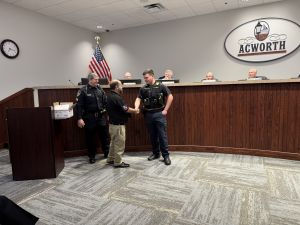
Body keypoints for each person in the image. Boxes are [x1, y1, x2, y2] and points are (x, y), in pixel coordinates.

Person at [135, 69, 173, 165]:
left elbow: (170, 96)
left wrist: (166, 110)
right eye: (144, 78)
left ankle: (166, 156)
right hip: (148, 114)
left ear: (152, 76)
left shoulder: (161, 86)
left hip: (159, 114)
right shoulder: (143, 88)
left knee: (162, 135)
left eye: (147, 77)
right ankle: (156, 153)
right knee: (152, 135)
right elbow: (138, 98)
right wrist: (136, 107)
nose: (145, 80)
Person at [76, 73, 110, 164]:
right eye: (96, 79)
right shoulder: (83, 90)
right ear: (90, 80)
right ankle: (92, 156)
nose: (98, 81)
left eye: (98, 79)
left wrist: (108, 113)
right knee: (90, 138)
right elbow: (79, 106)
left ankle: (107, 153)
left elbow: (105, 102)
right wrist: (79, 118)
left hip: (100, 116)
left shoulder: (100, 89)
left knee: (105, 137)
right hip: (89, 118)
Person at [106, 80, 139, 168]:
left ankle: (110, 159)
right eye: (121, 86)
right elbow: (126, 109)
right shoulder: (117, 98)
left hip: (112, 125)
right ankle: (118, 162)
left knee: (113, 143)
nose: (122, 87)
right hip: (118, 125)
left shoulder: (109, 96)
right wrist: (135, 111)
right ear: (116, 87)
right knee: (119, 144)